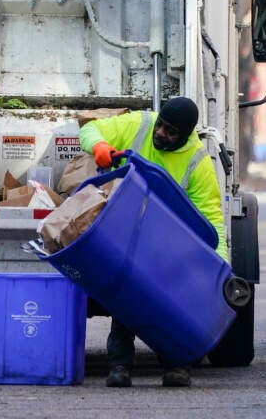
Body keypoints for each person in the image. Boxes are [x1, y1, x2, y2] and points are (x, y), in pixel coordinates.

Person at [78, 97, 226, 389]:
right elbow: (90, 129)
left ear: (185, 136)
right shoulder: (141, 123)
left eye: (171, 132)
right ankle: (120, 365)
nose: (161, 133)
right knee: (126, 297)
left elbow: (211, 219)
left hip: (168, 240)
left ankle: (176, 366)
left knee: (170, 302)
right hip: (128, 230)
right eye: (162, 125)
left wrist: (218, 267)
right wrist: (99, 147)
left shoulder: (197, 161)